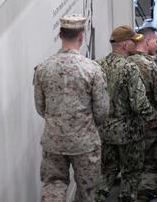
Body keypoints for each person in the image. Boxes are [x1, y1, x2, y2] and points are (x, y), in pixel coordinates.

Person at [33, 15, 109, 202]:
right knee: (86, 191)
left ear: (60, 35)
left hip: (54, 141)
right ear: (81, 37)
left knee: (53, 185)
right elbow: (102, 111)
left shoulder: (42, 68)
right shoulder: (92, 69)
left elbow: (40, 107)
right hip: (85, 142)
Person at [97, 26, 157, 202]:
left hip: (105, 131)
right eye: (134, 40)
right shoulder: (130, 68)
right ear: (125, 45)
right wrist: (153, 119)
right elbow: (138, 102)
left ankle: (98, 197)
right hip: (129, 133)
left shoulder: (98, 65)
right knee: (131, 174)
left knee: (106, 171)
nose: (136, 43)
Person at [129, 26, 157, 201]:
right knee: (150, 169)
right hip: (150, 129)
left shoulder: (124, 63)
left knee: (130, 169)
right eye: (155, 41)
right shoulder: (154, 67)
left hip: (125, 128)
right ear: (147, 42)